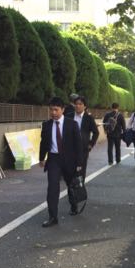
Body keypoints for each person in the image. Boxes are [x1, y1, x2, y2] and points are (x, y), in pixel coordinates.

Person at [39, 97, 83, 227]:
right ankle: (53, 217)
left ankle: (74, 205)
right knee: (52, 188)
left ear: (62, 110)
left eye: (56, 110)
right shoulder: (46, 125)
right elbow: (43, 143)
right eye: (51, 110)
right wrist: (41, 158)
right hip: (54, 159)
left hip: (69, 160)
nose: (53, 113)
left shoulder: (72, 124)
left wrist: (79, 163)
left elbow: (78, 144)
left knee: (71, 186)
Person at [72, 95, 99, 180]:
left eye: (80, 104)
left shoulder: (89, 118)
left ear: (85, 106)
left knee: (81, 170)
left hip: (83, 148)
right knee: (70, 170)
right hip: (70, 147)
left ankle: (80, 186)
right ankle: (71, 186)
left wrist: (91, 144)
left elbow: (96, 132)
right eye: (76, 104)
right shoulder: (68, 116)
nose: (77, 106)